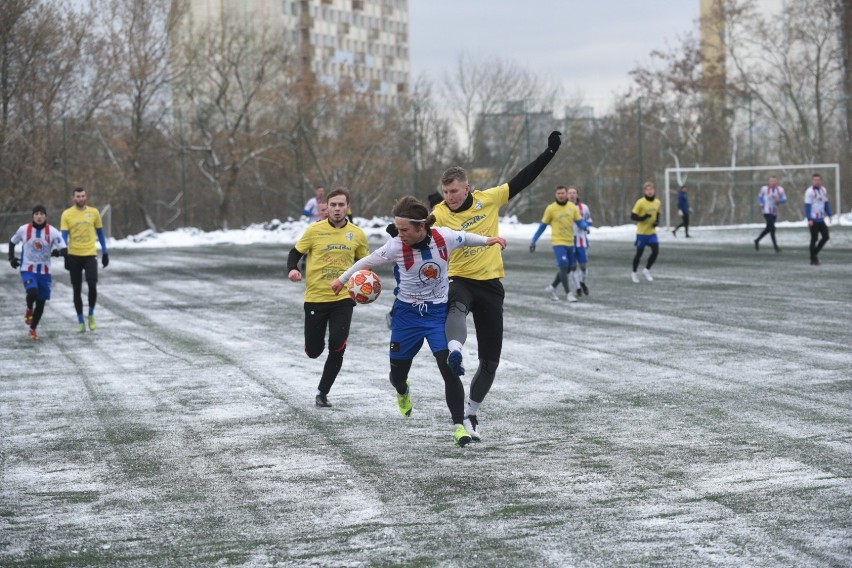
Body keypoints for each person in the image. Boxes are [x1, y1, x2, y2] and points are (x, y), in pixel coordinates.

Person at [332, 196, 506, 447]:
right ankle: (403, 391)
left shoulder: (442, 237)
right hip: (407, 317)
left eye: (404, 229)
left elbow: (465, 236)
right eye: (398, 229)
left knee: (449, 368)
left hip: (436, 314)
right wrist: (342, 279)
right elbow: (366, 262)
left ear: (421, 226)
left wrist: (489, 240)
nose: (399, 234)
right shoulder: (395, 247)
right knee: (397, 375)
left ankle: (459, 426)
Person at [430, 130, 562, 439]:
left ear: (468, 188)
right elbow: (421, 226)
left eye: (454, 191)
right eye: (446, 192)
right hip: (459, 279)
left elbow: (522, 178)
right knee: (456, 308)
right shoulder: (439, 213)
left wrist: (548, 154)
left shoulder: (489, 199)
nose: (450, 197)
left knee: (490, 362)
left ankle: (471, 412)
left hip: (490, 285)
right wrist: (399, 231)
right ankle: (454, 349)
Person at [287, 187, 369, 407]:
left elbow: (365, 265)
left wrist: (368, 284)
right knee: (314, 351)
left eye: (341, 205)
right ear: (327, 208)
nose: (337, 209)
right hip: (315, 297)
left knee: (337, 344)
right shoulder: (314, 231)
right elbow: (295, 253)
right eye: (333, 205)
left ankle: (323, 392)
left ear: (347, 207)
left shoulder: (358, 234)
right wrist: (293, 269)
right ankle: (314, 348)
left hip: (343, 298)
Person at [8, 205, 67, 340]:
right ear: (33, 216)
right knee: (33, 292)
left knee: (41, 303)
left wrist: (59, 252)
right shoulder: (24, 230)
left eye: (42, 214)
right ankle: (29, 308)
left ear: (45, 216)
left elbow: (64, 248)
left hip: (45, 272)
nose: (39, 216)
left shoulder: (52, 231)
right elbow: (12, 242)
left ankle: (33, 329)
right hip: (27, 269)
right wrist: (11, 258)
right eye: (36, 214)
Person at [60, 187, 109, 332]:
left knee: (92, 285)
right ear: (73, 198)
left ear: (86, 197)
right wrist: (65, 255)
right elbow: (63, 236)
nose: (81, 198)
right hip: (74, 255)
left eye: (83, 196)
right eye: (78, 196)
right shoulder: (67, 214)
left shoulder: (93, 212)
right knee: (77, 289)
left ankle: (91, 314)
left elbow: (100, 233)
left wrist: (105, 252)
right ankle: (81, 320)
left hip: (90, 254)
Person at [530, 185, 587, 303]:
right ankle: (569, 293)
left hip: (570, 242)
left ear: (566, 194)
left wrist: (585, 227)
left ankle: (553, 287)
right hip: (558, 242)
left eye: (563, 193)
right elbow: (542, 226)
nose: (561, 195)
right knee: (563, 265)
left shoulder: (572, 207)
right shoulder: (551, 209)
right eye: (558, 193)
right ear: (556, 195)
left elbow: (579, 221)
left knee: (570, 267)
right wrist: (534, 240)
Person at [630, 181, 662, 283]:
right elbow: (633, 216)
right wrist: (643, 217)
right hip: (642, 233)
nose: (649, 192)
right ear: (644, 191)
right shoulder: (640, 202)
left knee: (656, 251)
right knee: (639, 254)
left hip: (652, 232)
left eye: (651, 189)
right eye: (647, 190)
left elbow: (657, 214)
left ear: (654, 190)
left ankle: (647, 270)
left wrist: (656, 222)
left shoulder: (657, 202)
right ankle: (634, 273)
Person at [567, 186, 592, 296]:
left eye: (574, 193)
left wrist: (585, 226)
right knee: (573, 266)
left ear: (577, 195)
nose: (572, 195)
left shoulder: (584, 208)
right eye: (570, 193)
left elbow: (589, 221)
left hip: (581, 240)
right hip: (568, 240)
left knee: (583, 266)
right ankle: (578, 287)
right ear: (567, 195)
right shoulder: (563, 207)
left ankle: (582, 282)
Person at [804, 173, 832, 265]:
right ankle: (813, 259)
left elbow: (826, 203)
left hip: (821, 219)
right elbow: (807, 206)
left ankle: (814, 254)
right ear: (812, 181)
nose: (816, 181)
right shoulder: (809, 191)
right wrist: (809, 219)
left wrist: (829, 214)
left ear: (821, 181)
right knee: (814, 238)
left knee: (826, 236)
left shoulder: (823, 190)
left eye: (818, 180)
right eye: (815, 180)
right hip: (813, 219)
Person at [754, 176, 786, 252]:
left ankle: (757, 240)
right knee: (772, 228)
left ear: (776, 182)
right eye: (771, 181)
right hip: (766, 211)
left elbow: (784, 200)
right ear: (769, 182)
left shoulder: (780, 190)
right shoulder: (764, 189)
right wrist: (761, 203)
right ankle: (776, 247)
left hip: (774, 211)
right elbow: (760, 197)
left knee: (768, 228)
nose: (773, 183)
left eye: (774, 181)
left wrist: (779, 200)